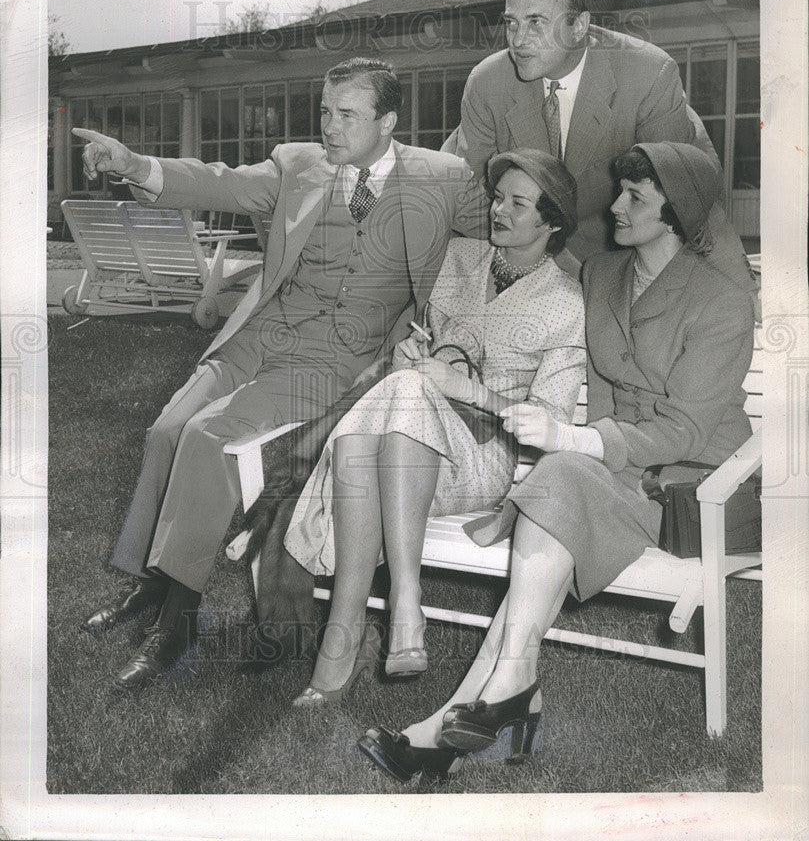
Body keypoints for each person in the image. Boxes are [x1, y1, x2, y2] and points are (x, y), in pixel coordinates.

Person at [74, 57, 491, 691]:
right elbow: (216, 181)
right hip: (263, 333)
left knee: (209, 438)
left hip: (336, 357)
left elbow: (522, 221)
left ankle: (178, 620)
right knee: (167, 429)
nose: (329, 126)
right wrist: (136, 166)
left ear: (389, 121)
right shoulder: (299, 166)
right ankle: (150, 583)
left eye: (347, 114)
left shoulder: (442, 178)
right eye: (325, 110)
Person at [358, 141, 755, 783]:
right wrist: (453, 351)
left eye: (635, 196)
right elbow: (513, 289)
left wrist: (576, 440)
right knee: (559, 478)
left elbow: (686, 428)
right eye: (620, 189)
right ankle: (513, 687)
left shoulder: (721, 301)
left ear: (677, 211)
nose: (616, 205)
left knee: (561, 474)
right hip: (606, 476)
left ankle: (478, 707)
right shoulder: (602, 275)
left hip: (694, 489)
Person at [280, 149, 585, 704]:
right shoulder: (461, 259)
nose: (499, 210)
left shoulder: (565, 301)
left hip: (483, 455)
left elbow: (552, 420)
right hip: (408, 439)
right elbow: (429, 339)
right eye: (497, 197)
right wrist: (414, 353)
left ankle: (360, 629)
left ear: (552, 222)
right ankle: (397, 612)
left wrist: (465, 389)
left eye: (518, 204)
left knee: (394, 409)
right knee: (402, 393)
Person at [443, 0, 756, 295]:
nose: (518, 40)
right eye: (511, 23)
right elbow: (468, 199)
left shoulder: (648, 73)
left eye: (536, 22)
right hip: (525, 255)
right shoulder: (487, 82)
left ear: (579, 26)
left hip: (624, 257)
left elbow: (680, 203)